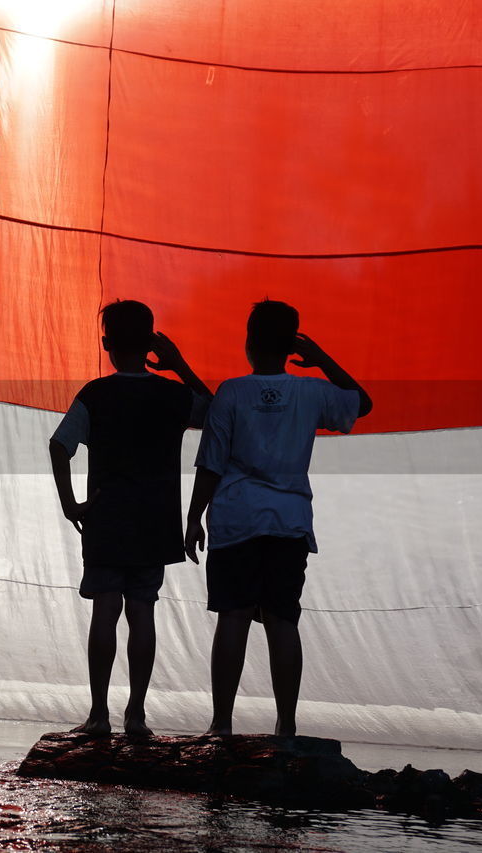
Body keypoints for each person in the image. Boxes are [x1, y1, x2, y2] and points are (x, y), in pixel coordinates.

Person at [184, 300, 372, 737]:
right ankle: (285, 727)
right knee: (282, 619)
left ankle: (221, 725)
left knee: (232, 616)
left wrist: (193, 517)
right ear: (291, 346)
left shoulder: (231, 392)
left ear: (249, 343)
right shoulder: (311, 391)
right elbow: (361, 403)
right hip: (288, 522)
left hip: (235, 520)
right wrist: (321, 357)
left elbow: (211, 463)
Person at [49, 300, 212, 737]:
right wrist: (178, 364)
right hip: (155, 520)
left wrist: (70, 504)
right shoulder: (174, 395)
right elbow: (216, 413)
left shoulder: (95, 394)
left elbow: (58, 445)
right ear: (150, 343)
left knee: (106, 609)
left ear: (107, 345)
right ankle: (136, 715)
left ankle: (98, 715)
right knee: (143, 611)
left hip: (106, 516)